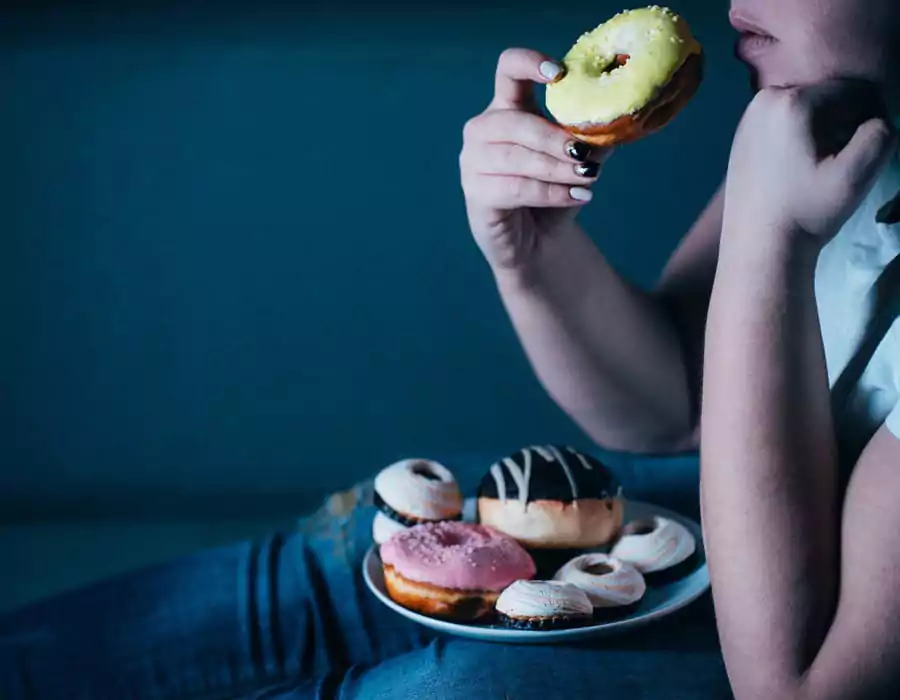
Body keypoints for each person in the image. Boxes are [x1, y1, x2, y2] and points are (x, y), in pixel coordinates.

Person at [3, 0, 900, 697]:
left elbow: (797, 685)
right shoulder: (852, 128)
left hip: (776, 642)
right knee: (366, 551)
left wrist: (765, 237)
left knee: (464, 686)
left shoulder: (789, 152)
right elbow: (675, 405)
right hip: (703, 549)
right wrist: (532, 253)